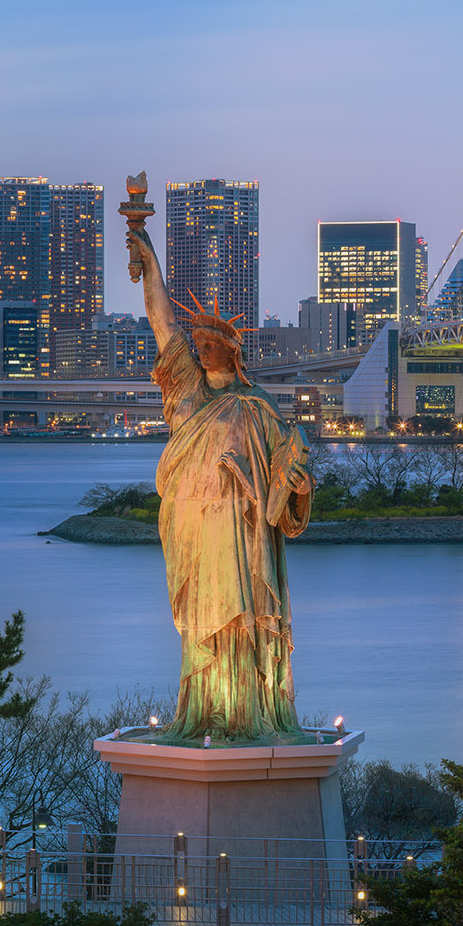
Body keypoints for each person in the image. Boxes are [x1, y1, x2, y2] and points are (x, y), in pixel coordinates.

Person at [130, 226, 314, 743]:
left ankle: (244, 712)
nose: (202, 349)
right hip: (192, 524)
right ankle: (205, 709)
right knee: (201, 621)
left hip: (240, 528)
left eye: (212, 344)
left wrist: (297, 486)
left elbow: (288, 469)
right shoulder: (186, 393)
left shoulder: (258, 408)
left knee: (238, 616)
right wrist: (151, 266)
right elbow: (163, 325)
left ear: (234, 352)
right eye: (199, 344)